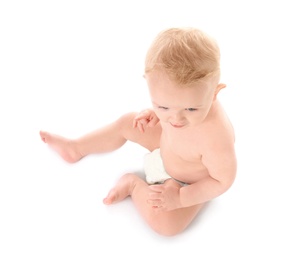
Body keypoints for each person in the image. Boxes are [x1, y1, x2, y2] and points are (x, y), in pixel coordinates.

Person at [39, 27, 237, 236]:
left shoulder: (215, 137)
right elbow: (175, 108)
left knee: (167, 226)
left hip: (188, 181)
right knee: (129, 122)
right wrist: (154, 114)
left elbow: (222, 181)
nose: (175, 119)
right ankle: (76, 147)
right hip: (167, 146)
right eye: (163, 106)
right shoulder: (180, 108)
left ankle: (133, 186)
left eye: (190, 109)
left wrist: (180, 198)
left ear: (214, 92)